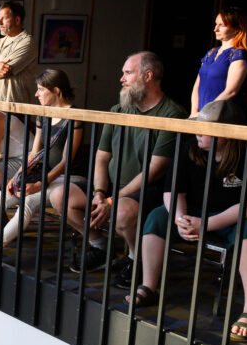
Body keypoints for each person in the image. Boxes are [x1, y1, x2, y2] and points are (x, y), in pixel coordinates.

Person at [131, 100, 247, 342]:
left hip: (240, 215)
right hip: (195, 211)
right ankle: (149, 285)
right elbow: (174, 191)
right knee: (157, 217)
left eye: (205, 129)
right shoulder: (188, 148)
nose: (198, 132)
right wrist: (180, 220)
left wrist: (205, 225)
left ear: (227, 133)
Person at [50, 52, 186, 285]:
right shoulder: (118, 110)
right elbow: (102, 158)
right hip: (111, 188)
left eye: (127, 73)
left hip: (149, 189)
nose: (121, 78)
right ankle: (101, 247)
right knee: (60, 196)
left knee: (121, 212)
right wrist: (100, 194)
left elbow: (154, 170)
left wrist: (111, 201)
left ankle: (137, 259)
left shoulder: (172, 114)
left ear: (148, 76)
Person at [0, 70, 87, 256]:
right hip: (45, 175)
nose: (36, 94)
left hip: (69, 178)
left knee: (27, 202)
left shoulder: (75, 117)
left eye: (41, 90)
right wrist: (17, 177)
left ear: (56, 90)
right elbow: (34, 153)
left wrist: (40, 184)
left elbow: (65, 162)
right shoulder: (44, 114)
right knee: (6, 195)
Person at [0, 1, 38, 167]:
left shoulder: (27, 42)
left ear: (17, 20)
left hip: (12, 110)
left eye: (4, 19)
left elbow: (5, 72)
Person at [190, 6, 247, 117]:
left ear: (237, 28)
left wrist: (205, 114)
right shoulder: (210, 53)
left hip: (221, 116)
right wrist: (194, 112)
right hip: (200, 116)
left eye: (221, 25)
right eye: (216, 24)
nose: (215, 29)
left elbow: (231, 91)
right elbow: (197, 85)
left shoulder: (238, 54)